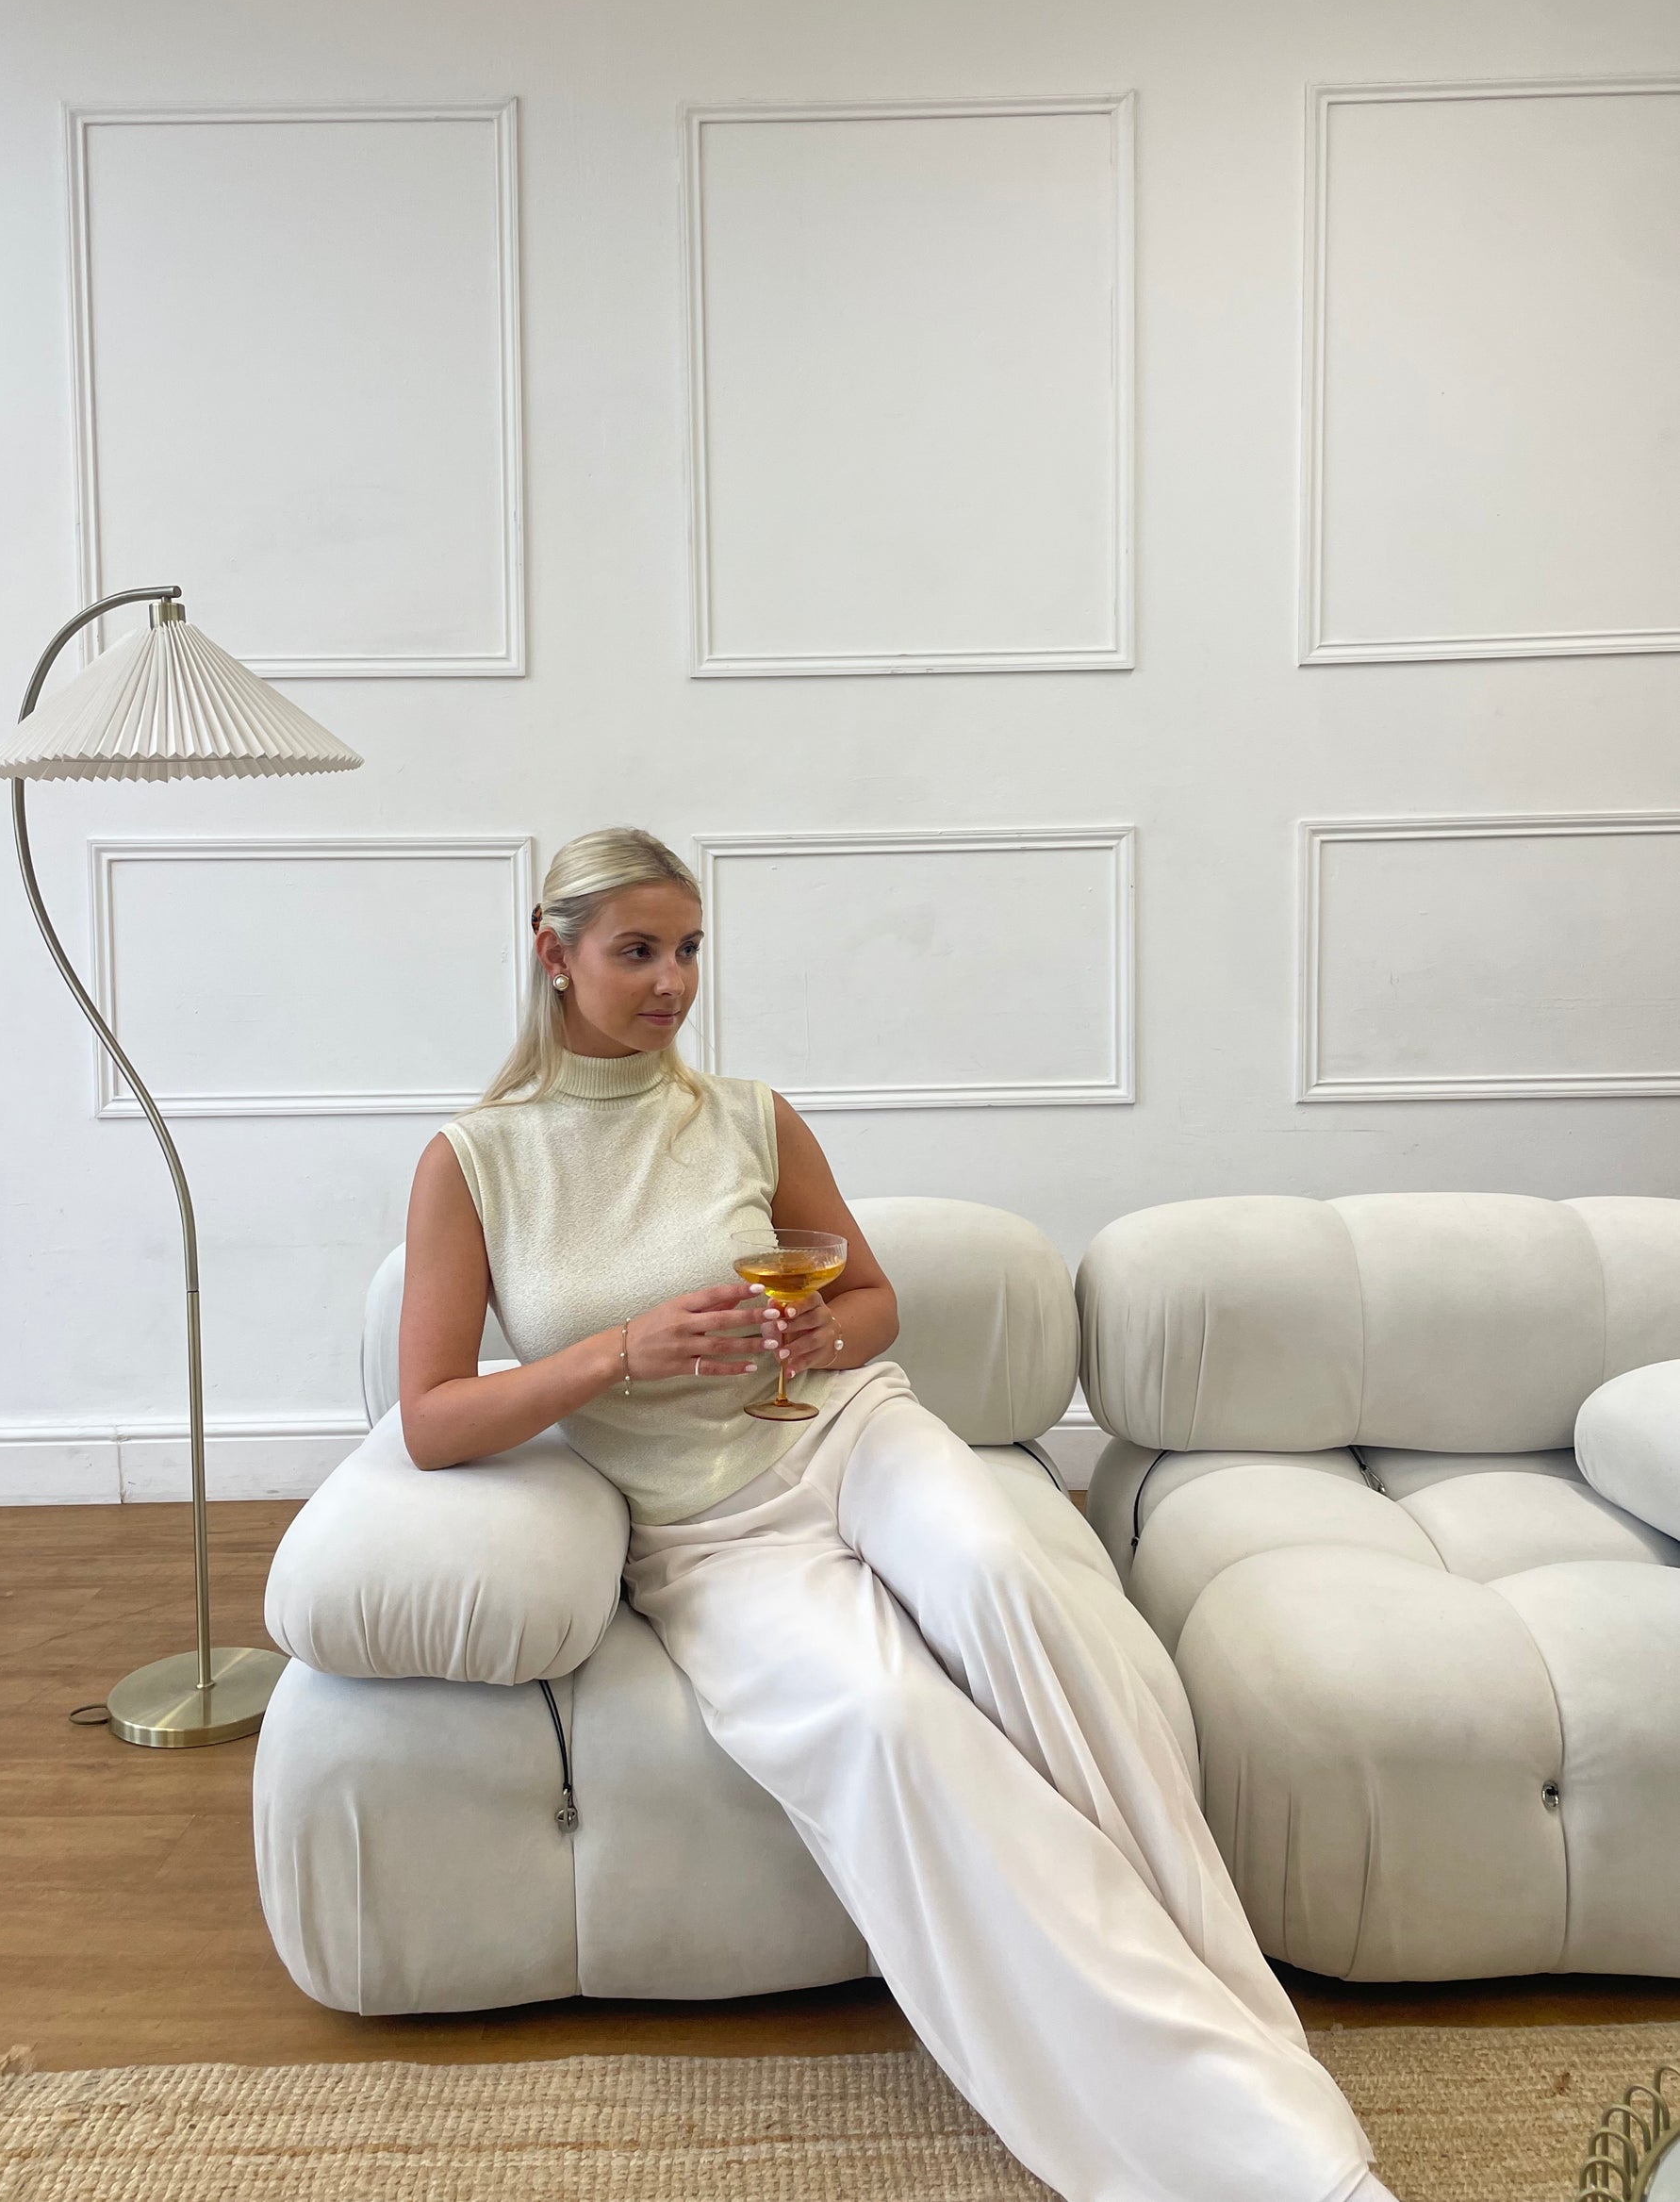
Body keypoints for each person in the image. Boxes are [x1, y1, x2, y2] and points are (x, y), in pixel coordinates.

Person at [397, 826, 1393, 2202]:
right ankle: (1241, 2150)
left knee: (1003, 1580)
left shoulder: (748, 1116)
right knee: (886, 1725)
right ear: (552, 954)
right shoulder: (473, 1161)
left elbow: (870, 1302)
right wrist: (618, 1354)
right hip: (707, 1532)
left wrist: (817, 1339)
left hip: (851, 1437)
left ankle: (1231, 2002)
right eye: (638, 951)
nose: (674, 981)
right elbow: (434, 1417)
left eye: (689, 949)